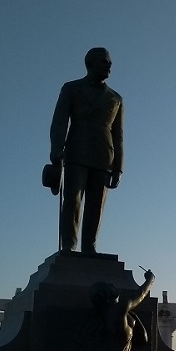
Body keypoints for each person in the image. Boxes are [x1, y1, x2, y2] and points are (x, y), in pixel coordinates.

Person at [49, 47, 124, 254]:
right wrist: (56, 148)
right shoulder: (72, 89)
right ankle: (69, 245)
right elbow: (59, 120)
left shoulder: (115, 98)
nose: (109, 65)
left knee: (96, 205)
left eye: (109, 62)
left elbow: (118, 135)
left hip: (103, 156)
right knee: (72, 200)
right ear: (89, 64)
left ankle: (89, 246)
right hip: (76, 151)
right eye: (104, 61)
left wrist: (118, 168)